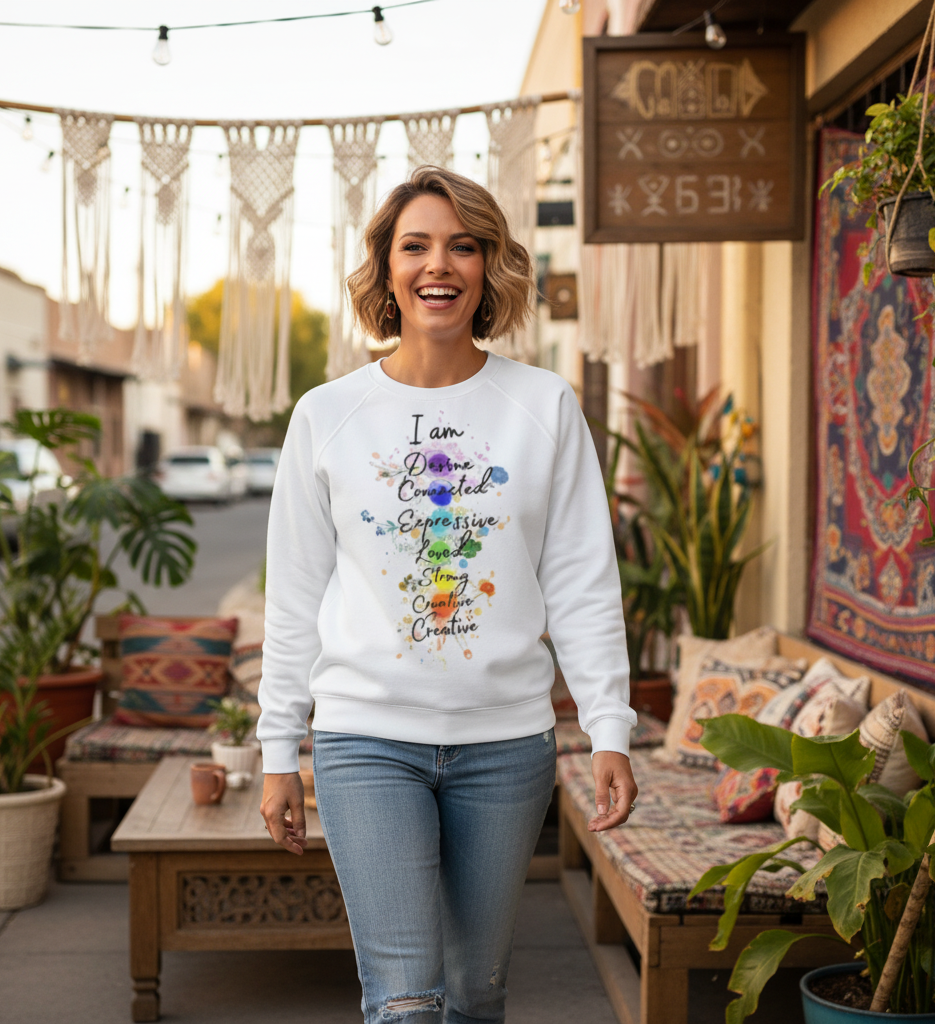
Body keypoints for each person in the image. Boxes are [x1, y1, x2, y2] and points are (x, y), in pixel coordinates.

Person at [258, 165, 637, 1024]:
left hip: (506, 747)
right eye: (416, 245)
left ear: (490, 265)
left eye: (463, 245)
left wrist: (609, 726)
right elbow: (296, 597)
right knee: (405, 1003)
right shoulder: (327, 414)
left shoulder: (543, 405)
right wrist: (278, 745)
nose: (440, 265)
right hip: (365, 741)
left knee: (475, 997)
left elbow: (582, 579)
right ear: (387, 272)